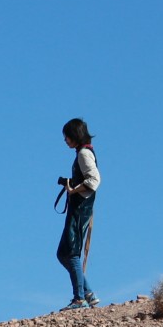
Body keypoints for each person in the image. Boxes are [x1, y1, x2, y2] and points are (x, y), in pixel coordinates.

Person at [55, 118, 101, 309]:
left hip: (81, 208)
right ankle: (88, 293)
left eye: (67, 136)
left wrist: (74, 189)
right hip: (79, 207)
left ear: (75, 135)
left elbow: (94, 180)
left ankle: (79, 298)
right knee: (63, 253)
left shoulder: (84, 154)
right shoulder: (83, 152)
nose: (65, 140)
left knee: (71, 252)